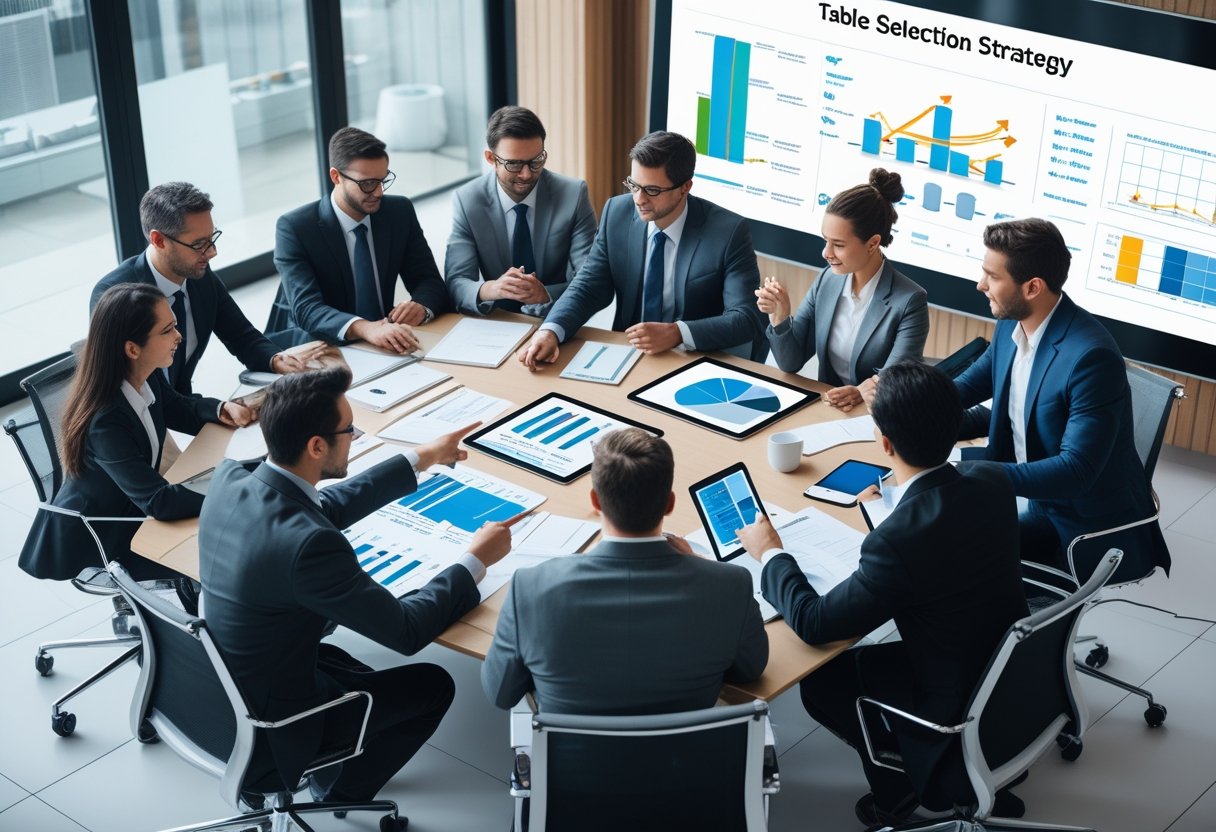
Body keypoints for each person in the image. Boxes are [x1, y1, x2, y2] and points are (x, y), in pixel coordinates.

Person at [198, 366, 515, 803]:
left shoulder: (231, 479)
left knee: (348, 664)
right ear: (315, 446)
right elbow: (405, 632)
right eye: (350, 429)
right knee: (434, 684)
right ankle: (340, 793)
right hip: (276, 724)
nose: (356, 436)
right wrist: (476, 560)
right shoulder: (310, 546)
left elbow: (323, 507)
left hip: (217, 685)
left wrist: (420, 457)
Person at [738, 361, 1027, 829]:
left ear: (885, 443)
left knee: (824, 678)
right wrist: (888, 509)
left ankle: (903, 784)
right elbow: (943, 536)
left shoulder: (896, 544)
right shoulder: (992, 482)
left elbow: (814, 624)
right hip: (1012, 678)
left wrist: (771, 554)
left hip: (952, 699)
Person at [481, 427, 768, 714]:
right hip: (686, 756)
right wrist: (704, 567)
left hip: (574, 757)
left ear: (595, 500)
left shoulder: (530, 588)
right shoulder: (730, 585)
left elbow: (501, 693)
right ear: (669, 503)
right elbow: (750, 670)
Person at [953, 218, 1170, 585]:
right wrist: (902, 403)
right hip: (1036, 497)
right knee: (939, 538)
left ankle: (1006, 639)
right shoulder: (1013, 322)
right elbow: (964, 390)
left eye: (992, 276)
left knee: (951, 555)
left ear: (1032, 287)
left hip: (1081, 527)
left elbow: (1075, 472)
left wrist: (970, 475)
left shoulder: (1090, 357)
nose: (981, 285)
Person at [19, 283, 253, 582]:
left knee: (235, 525)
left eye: (176, 325)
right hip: (107, 535)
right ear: (132, 349)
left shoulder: (144, 374)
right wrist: (231, 492)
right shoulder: (106, 421)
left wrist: (222, 409)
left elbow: (177, 408)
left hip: (137, 506)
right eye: (167, 330)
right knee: (225, 556)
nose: (178, 336)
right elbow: (160, 503)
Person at [518, 131, 766, 367]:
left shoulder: (729, 232)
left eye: (652, 190)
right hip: (630, 355)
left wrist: (677, 333)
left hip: (695, 358)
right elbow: (588, 287)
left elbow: (746, 317)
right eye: (633, 185)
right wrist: (550, 330)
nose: (638, 199)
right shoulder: (617, 213)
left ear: (685, 188)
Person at [90, 182, 316, 396]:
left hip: (184, 406)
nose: (212, 252)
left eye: (212, 238)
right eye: (199, 244)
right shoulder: (116, 297)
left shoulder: (200, 278)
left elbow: (242, 336)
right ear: (159, 240)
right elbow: (146, 392)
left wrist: (276, 360)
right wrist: (217, 410)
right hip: (143, 422)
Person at [756, 168, 928, 411]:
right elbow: (790, 362)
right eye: (825, 240)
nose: (826, 253)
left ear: (873, 243)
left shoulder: (910, 301)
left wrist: (860, 392)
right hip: (828, 409)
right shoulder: (828, 280)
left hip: (875, 416)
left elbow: (896, 379)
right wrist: (781, 316)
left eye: (838, 245)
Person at [269, 127, 450, 352]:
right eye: (367, 184)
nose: (378, 192)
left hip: (384, 342)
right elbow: (307, 309)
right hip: (321, 346)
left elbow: (429, 280)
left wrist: (421, 306)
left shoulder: (398, 212)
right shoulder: (295, 228)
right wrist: (366, 328)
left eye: (383, 180)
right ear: (336, 177)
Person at [444, 106, 596, 317]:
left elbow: (590, 279)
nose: (526, 174)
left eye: (535, 161)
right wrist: (492, 289)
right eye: (514, 164)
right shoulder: (467, 200)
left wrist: (546, 295)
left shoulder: (573, 194)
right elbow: (456, 282)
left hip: (556, 315)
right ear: (491, 158)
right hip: (497, 320)